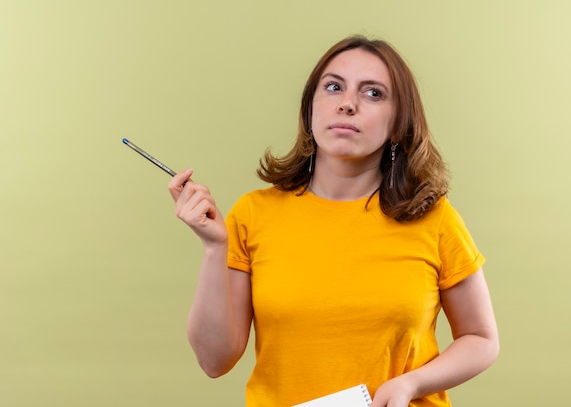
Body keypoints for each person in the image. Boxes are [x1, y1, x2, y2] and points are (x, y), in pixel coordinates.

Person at [168, 35, 499, 407]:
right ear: (311, 108)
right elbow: (215, 361)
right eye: (333, 87)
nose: (347, 104)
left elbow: (482, 338)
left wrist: (412, 383)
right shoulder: (252, 214)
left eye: (373, 93)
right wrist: (215, 247)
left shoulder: (434, 218)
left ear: (397, 122)